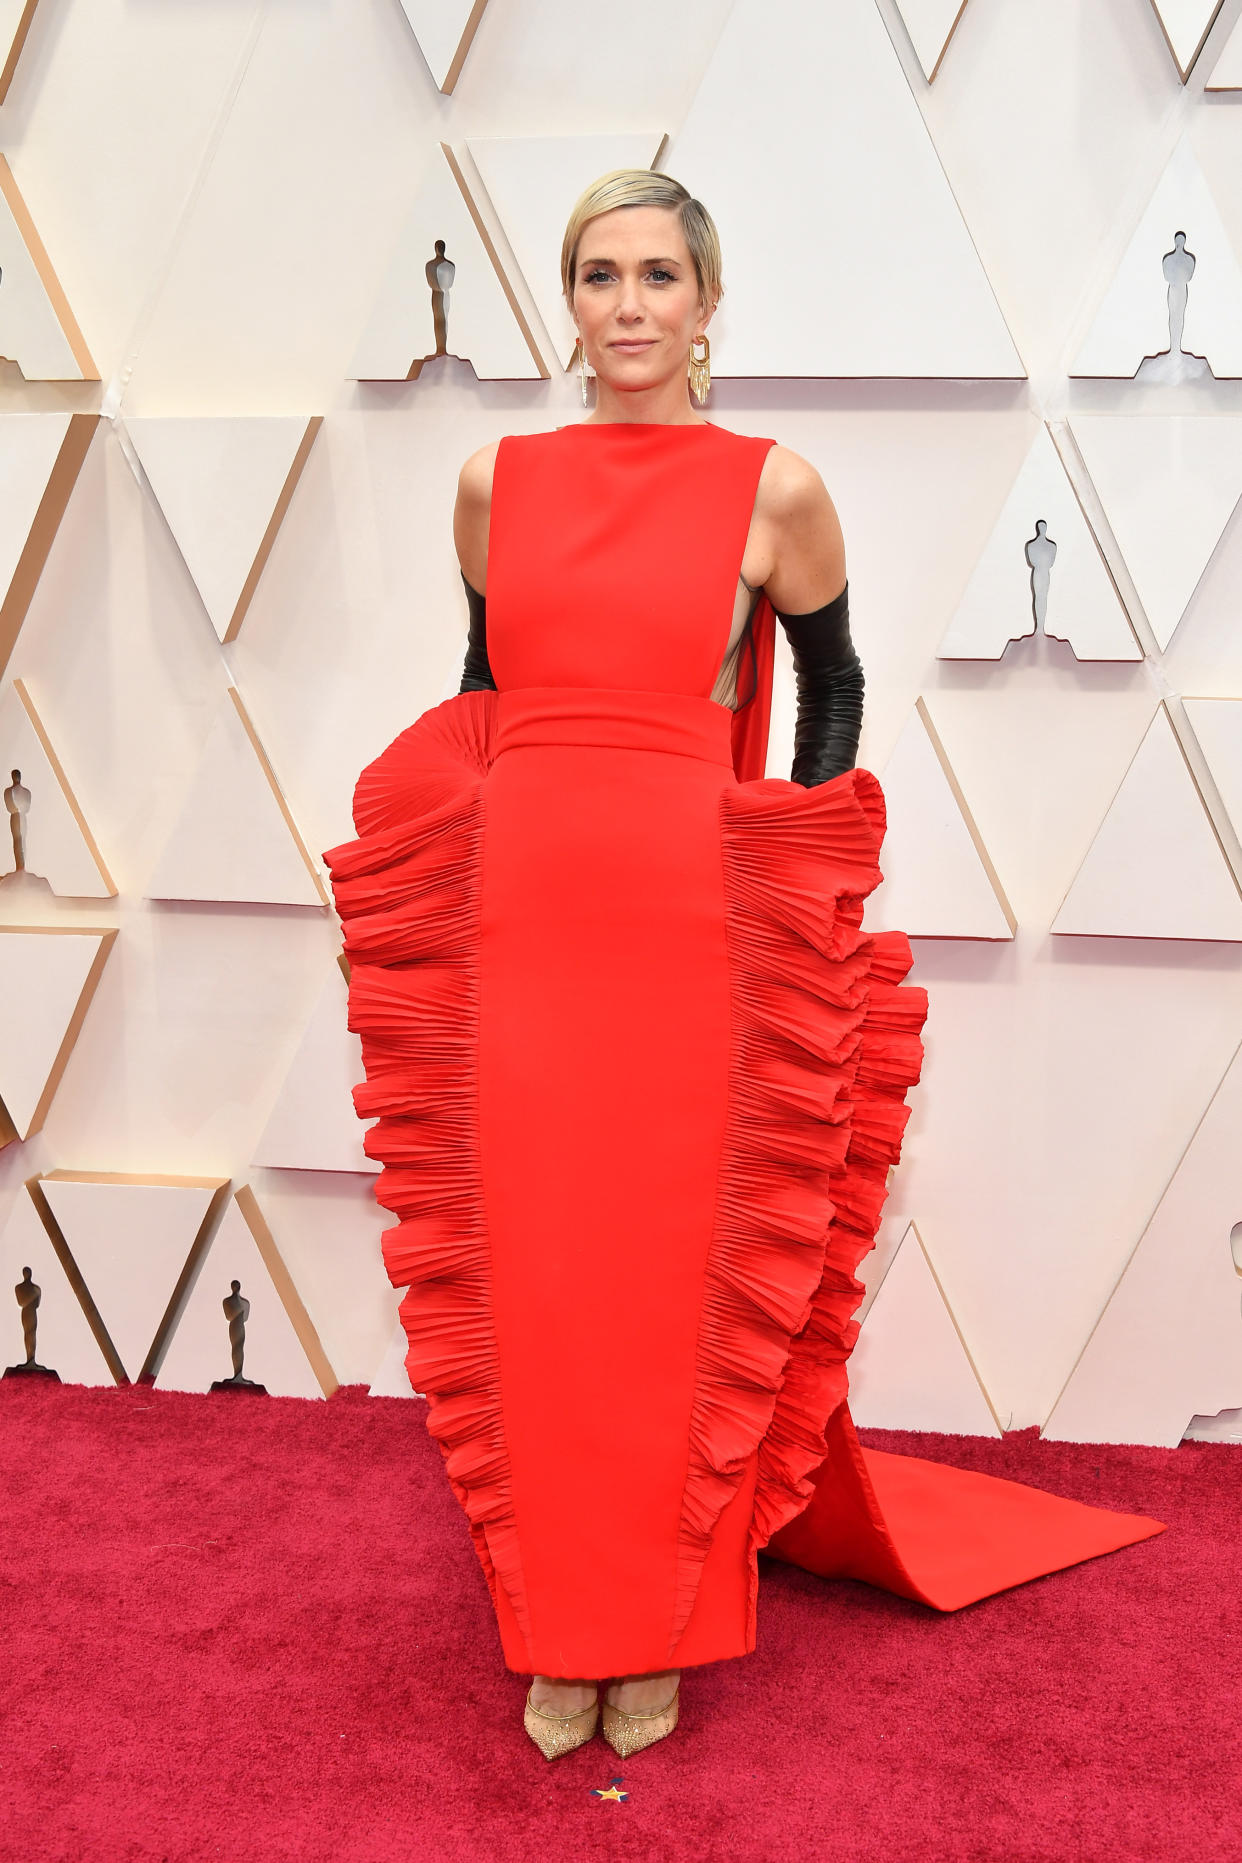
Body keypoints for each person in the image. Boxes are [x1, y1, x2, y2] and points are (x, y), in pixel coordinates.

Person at [322, 171, 1165, 1764]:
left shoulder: (773, 489)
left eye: (657, 275)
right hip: (520, 928)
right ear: (565, 302)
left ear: (708, 304)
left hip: (682, 934)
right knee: (537, 1287)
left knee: (658, 1290)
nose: (627, 304)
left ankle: (652, 1637)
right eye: (595, 274)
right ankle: (556, 1632)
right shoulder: (492, 484)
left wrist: (778, 858)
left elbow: (831, 691)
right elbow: (483, 691)